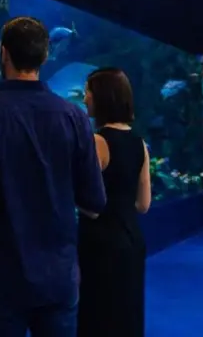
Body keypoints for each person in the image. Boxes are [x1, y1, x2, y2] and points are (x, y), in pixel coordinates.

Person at [0, 16, 106, 337]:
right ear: (45, 56)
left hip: (0, 280)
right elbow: (95, 201)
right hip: (58, 277)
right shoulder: (74, 116)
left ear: (3, 53)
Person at [76, 67, 152, 337]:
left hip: (101, 246)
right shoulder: (139, 143)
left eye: (88, 91)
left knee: (99, 320)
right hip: (131, 241)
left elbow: (91, 207)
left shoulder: (97, 142)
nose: (84, 98)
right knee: (127, 319)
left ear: (102, 97)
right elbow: (143, 204)